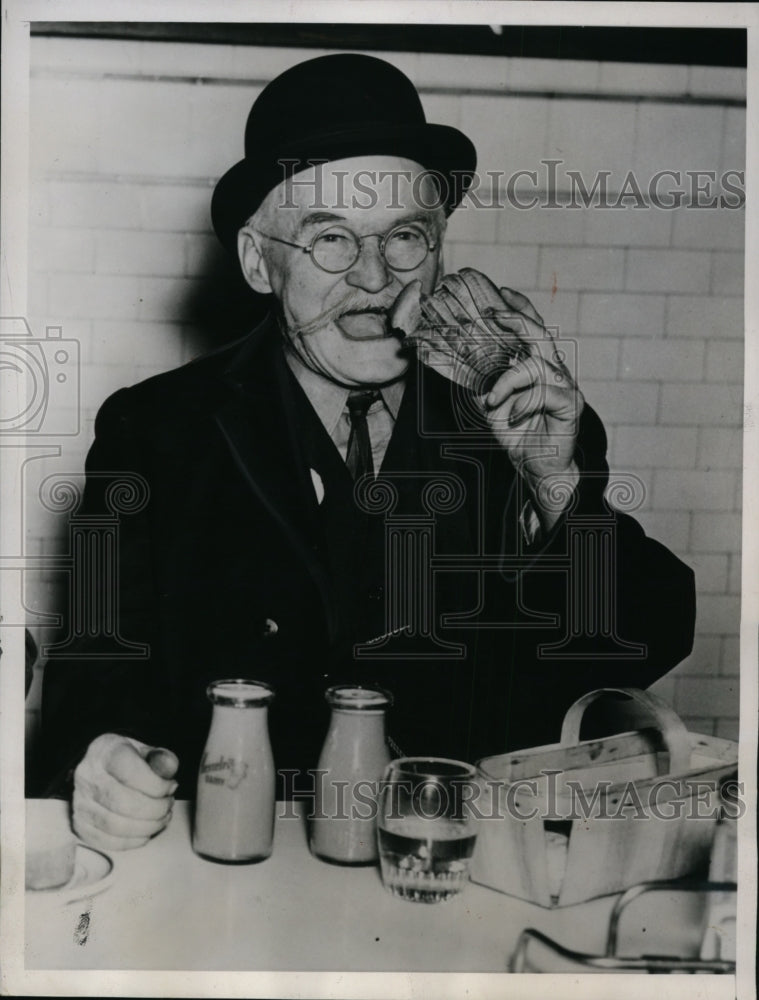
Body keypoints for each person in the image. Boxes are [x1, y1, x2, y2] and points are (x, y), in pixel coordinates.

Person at [38, 53, 695, 851]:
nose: (375, 278)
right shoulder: (156, 430)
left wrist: (555, 484)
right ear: (257, 260)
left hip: (453, 862)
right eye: (330, 241)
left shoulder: (516, 413)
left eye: (405, 238)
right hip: (236, 856)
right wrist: (105, 756)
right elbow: (97, 666)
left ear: (439, 247)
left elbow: (640, 639)